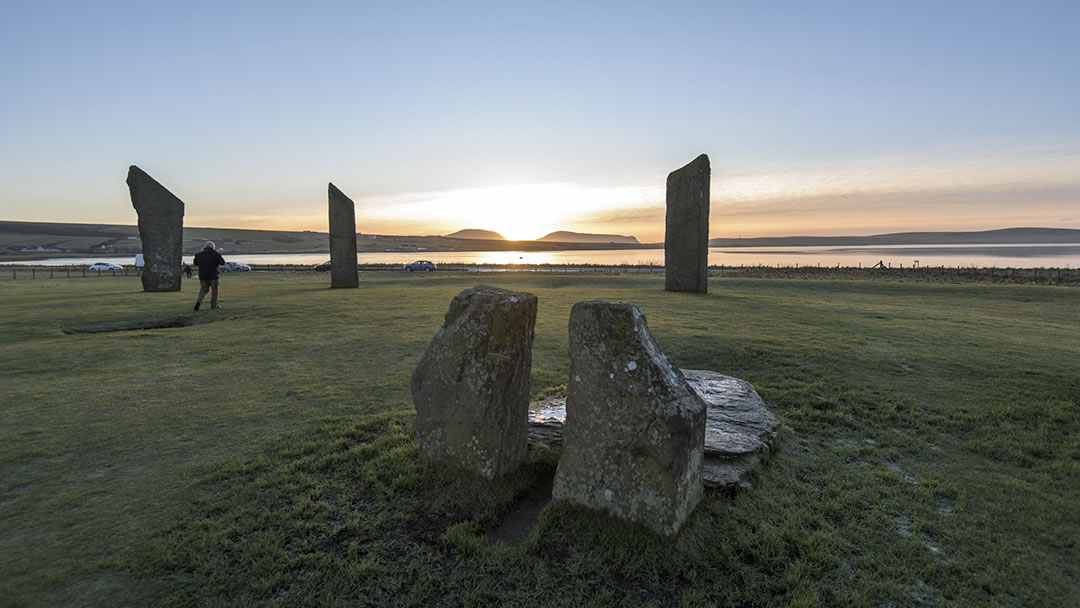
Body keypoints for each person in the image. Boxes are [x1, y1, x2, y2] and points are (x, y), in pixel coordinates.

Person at [193, 241, 225, 311]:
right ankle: (214, 304)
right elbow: (222, 262)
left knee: (203, 290)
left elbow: (195, 263)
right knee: (214, 290)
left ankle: (198, 302)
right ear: (213, 247)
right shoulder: (215, 254)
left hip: (203, 276)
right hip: (213, 275)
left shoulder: (199, 254)